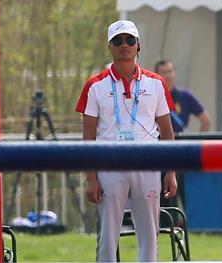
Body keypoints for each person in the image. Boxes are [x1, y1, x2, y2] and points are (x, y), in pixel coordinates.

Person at [75, 20, 177, 263]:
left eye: (130, 40)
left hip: (148, 164)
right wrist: (91, 178)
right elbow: (88, 137)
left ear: (138, 45)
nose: (125, 45)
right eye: (118, 41)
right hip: (110, 165)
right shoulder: (94, 85)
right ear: (109, 46)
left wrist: (170, 172)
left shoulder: (156, 82)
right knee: (108, 235)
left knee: (149, 234)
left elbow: (167, 131)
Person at [153, 59, 210, 133]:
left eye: (170, 71)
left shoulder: (185, 96)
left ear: (174, 73)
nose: (167, 75)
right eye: (163, 72)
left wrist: (198, 141)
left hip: (180, 141)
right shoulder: (152, 96)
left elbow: (206, 121)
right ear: (156, 75)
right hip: (157, 142)